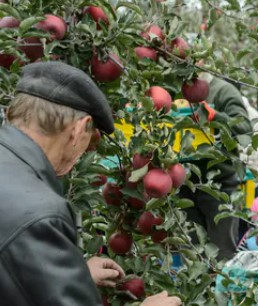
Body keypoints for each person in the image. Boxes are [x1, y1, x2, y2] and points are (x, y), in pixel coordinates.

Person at [0, 61, 181, 306]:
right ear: (80, 128)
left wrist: (67, 277)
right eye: (90, 139)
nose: (85, 152)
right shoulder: (42, 214)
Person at [182, 72, 252, 259]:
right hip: (187, 185)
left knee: (223, 251)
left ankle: (223, 288)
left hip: (221, 185)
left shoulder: (222, 91)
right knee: (192, 250)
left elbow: (245, 129)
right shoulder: (179, 91)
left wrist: (217, 117)